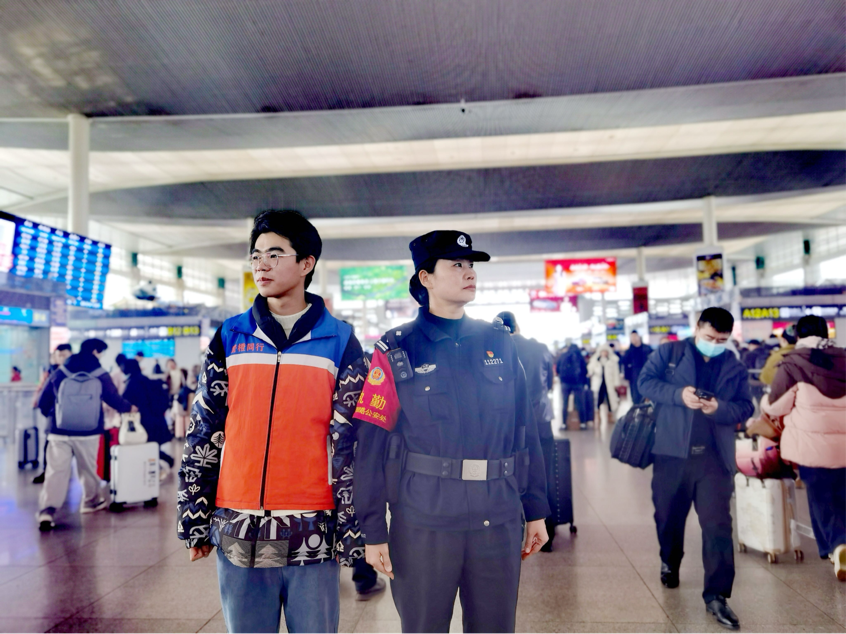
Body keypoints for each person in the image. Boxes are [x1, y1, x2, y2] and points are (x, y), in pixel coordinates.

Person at [177, 209, 366, 634]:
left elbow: (354, 441)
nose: (261, 265)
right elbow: (204, 429)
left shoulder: (340, 341)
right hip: (239, 523)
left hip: (313, 524)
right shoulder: (230, 336)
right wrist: (193, 516)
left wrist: (354, 528)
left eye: (275, 254)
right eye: (256, 255)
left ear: (306, 263)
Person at [354, 230, 549, 634]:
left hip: (497, 515)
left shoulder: (499, 344)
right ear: (425, 278)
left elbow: (525, 431)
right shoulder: (396, 349)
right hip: (424, 521)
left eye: (471, 265)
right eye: (457, 265)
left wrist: (536, 510)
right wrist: (372, 530)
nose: (469, 273)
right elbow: (370, 446)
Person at [638, 307, 754, 631]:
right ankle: (669, 560)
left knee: (718, 526)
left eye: (721, 340)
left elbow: (746, 406)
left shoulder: (733, 366)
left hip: (714, 460)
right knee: (668, 518)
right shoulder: (670, 353)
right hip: (671, 454)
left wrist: (719, 409)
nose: (714, 344)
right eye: (709, 337)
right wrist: (678, 395)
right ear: (697, 328)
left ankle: (717, 596)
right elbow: (645, 383)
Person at [760, 315, 846, 581]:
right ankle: (841, 544)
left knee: (820, 498)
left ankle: (837, 546)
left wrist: (764, 402)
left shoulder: (793, 364)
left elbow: (776, 406)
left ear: (798, 335)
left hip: (812, 446)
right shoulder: (844, 357)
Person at [36, 338, 137, 531]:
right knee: (88, 469)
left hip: (58, 432)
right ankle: (90, 502)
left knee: (55, 471)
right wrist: (129, 407)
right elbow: (113, 398)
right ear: (96, 351)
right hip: (88, 431)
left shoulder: (61, 371)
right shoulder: (100, 373)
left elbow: (43, 401)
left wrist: (54, 417)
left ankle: (47, 511)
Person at [496, 311, 558, 551]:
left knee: (509, 475)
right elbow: (549, 384)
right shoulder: (540, 348)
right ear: (517, 326)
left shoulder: (496, 350)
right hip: (540, 419)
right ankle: (548, 532)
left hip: (509, 424)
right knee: (545, 473)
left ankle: (515, 532)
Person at [120, 358, 175, 480]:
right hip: (156, 420)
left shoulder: (131, 383)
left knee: (145, 446)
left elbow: (125, 403)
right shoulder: (147, 380)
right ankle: (159, 467)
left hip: (143, 421)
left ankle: (155, 470)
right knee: (152, 446)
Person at [32, 344, 73, 485]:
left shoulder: (71, 371)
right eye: (59, 355)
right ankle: (47, 471)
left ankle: (64, 473)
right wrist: (49, 413)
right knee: (50, 446)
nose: (61, 358)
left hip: (71, 418)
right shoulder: (51, 372)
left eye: (64, 355)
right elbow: (43, 395)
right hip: (54, 417)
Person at [556, 341, 588, 430]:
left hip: (565, 383)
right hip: (578, 383)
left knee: (564, 403)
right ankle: (582, 423)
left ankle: (564, 424)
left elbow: (557, 369)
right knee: (580, 403)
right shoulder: (580, 356)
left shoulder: (563, 356)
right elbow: (585, 370)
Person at [587, 343, 622, 424]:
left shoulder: (612, 361)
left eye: (605, 351)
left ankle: (610, 415)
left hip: (609, 383)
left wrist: (616, 383)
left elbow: (616, 373)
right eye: (602, 351)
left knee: (610, 400)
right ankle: (597, 415)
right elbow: (590, 369)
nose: (604, 353)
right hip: (598, 383)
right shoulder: (595, 361)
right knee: (598, 399)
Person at [621, 331, 653, 404]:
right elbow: (625, 365)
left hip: (647, 375)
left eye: (635, 336)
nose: (634, 339)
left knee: (647, 396)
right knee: (636, 397)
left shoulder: (647, 349)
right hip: (634, 376)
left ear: (639, 337)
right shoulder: (629, 352)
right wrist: (627, 377)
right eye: (632, 337)